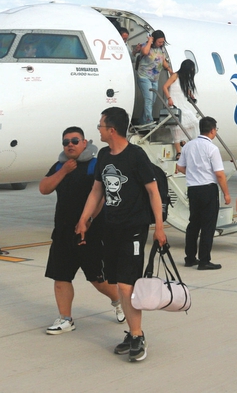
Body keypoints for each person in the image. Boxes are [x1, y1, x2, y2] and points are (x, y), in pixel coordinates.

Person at [76, 107, 167, 363]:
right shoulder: (104, 155)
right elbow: (97, 191)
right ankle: (133, 331)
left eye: (101, 126)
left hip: (134, 228)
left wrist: (159, 227)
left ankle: (137, 336)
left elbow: (153, 192)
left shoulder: (136, 156)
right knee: (120, 284)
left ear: (112, 130)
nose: (99, 130)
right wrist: (84, 219)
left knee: (127, 286)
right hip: (111, 227)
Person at [39, 127, 124, 335]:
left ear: (84, 143)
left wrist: (88, 221)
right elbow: (44, 188)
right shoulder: (59, 166)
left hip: (92, 232)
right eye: (66, 142)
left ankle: (118, 300)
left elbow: (101, 196)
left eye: (75, 141)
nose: (70, 145)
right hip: (63, 232)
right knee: (61, 277)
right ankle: (65, 319)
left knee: (98, 280)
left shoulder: (95, 165)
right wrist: (63, 171)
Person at [177, 116, 231, 270]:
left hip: (193, 189)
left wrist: (192, 173)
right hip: (208, 189)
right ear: (212, 130)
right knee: (208, 226)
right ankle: (204, 260)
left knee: (194, 224)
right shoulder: (212, 148)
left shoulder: (188, 146)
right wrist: (226, 193)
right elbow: (219, 174)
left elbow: (180, 167)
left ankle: (190, 258)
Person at [161, 59, 200, 154]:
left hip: (182, 104)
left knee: (194, 122)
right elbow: (165, 87)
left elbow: (185, 89)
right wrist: (169, 98)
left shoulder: (184, 79)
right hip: (174, 103)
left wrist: (191, 95)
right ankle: (179, 151)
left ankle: (184, 140)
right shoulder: (175, 76)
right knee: (177, 128)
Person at [135, 30, 172, 126]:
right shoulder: (146, 46)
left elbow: (163, 61)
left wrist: (170, 70)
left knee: (152, 100)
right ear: (154, 40)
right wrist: (150, 41)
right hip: (144, 76)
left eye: (162, 42)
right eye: (159, 42)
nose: (161, 43)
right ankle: (149, 121)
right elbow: (145, 52)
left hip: (155, 78)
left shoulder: (161, 49)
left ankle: (143, 120)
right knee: (149, 99)